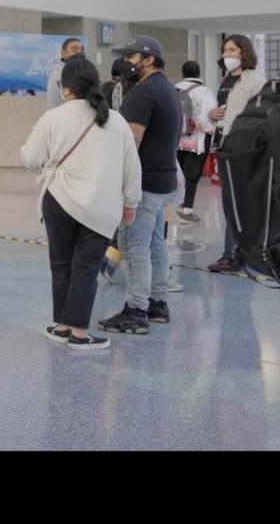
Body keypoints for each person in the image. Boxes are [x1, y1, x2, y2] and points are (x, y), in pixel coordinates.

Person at [22, 58, 142, 351]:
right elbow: (132, 166)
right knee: (86, 268)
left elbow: (30, 159)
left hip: (59, 200)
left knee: (61, 265)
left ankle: (62, 327)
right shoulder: (116, 120)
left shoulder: (53, 117)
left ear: (65, 89)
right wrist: (131, 202)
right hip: (101, 208)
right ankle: (79, 333)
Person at [97, 35, 182, 336]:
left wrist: (116, 180)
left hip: (143, 183)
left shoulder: (144, 92)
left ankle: (136, 310)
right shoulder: (166, 88)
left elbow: (131, 142)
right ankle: (158, 304)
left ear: (148, 59)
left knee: (133, 247)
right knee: (156, 244)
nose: (125, 63)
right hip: (163, 181)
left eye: (131, 57)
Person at [206, 34, 268, 273]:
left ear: (244, 52)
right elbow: (222, 111)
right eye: (224, 51)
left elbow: (261, 115)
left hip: (242, 149)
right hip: (223, 147)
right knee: (230, 203)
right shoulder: (224, 81)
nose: (227, 55)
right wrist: (212, 114)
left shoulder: (255, 80)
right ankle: (238, 252)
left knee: (237, 203)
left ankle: (233, 255)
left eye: (231, 50)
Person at [174, 60, 215, 222]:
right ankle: (187, 209)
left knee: (182, 174)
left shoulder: (175, 88)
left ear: (182, 74)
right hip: (196, 140)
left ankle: (181, 202)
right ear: (198, 74)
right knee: (192, 176)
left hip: (177, 138)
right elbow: (209, 117)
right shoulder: (204, 91)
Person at [46, 37, 87, 110]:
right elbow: (71, 100)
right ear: (64, 53)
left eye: (82, 50)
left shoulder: (75, 71)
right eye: (75, 50)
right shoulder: (62, 73)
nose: (80, 53)